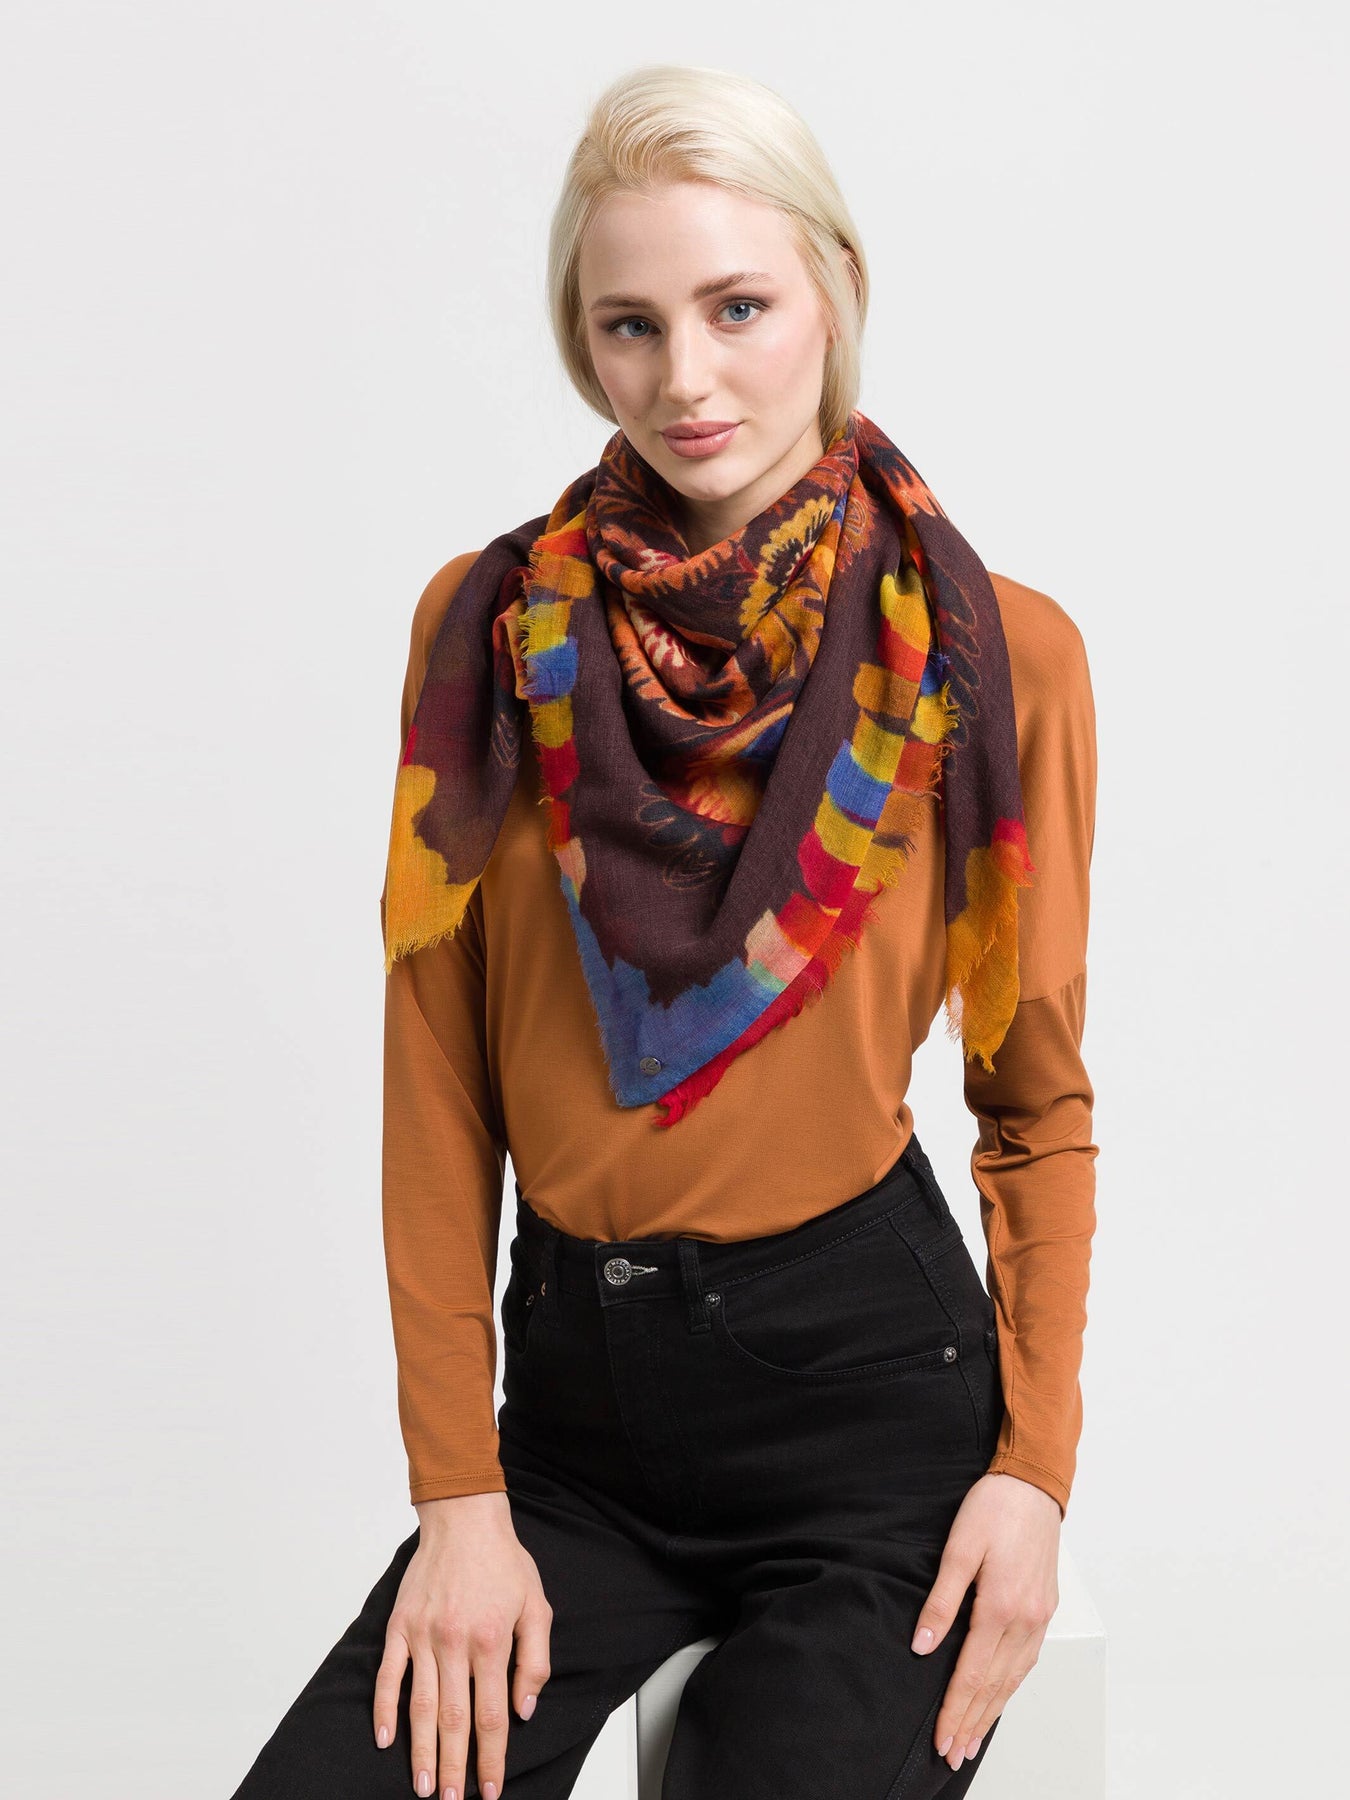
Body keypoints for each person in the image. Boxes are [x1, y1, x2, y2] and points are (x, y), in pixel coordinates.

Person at [230, 60, 1098, 1800]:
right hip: (577, 1427)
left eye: (736, 307)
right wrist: (458, 1500)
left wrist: (1031, 1477)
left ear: (834, 292)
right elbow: (437, 1089)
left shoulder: (993, 655)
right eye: (628, 324)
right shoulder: (486, 633)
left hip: (868, 1411)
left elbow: (1033, 1097)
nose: (684, 377)